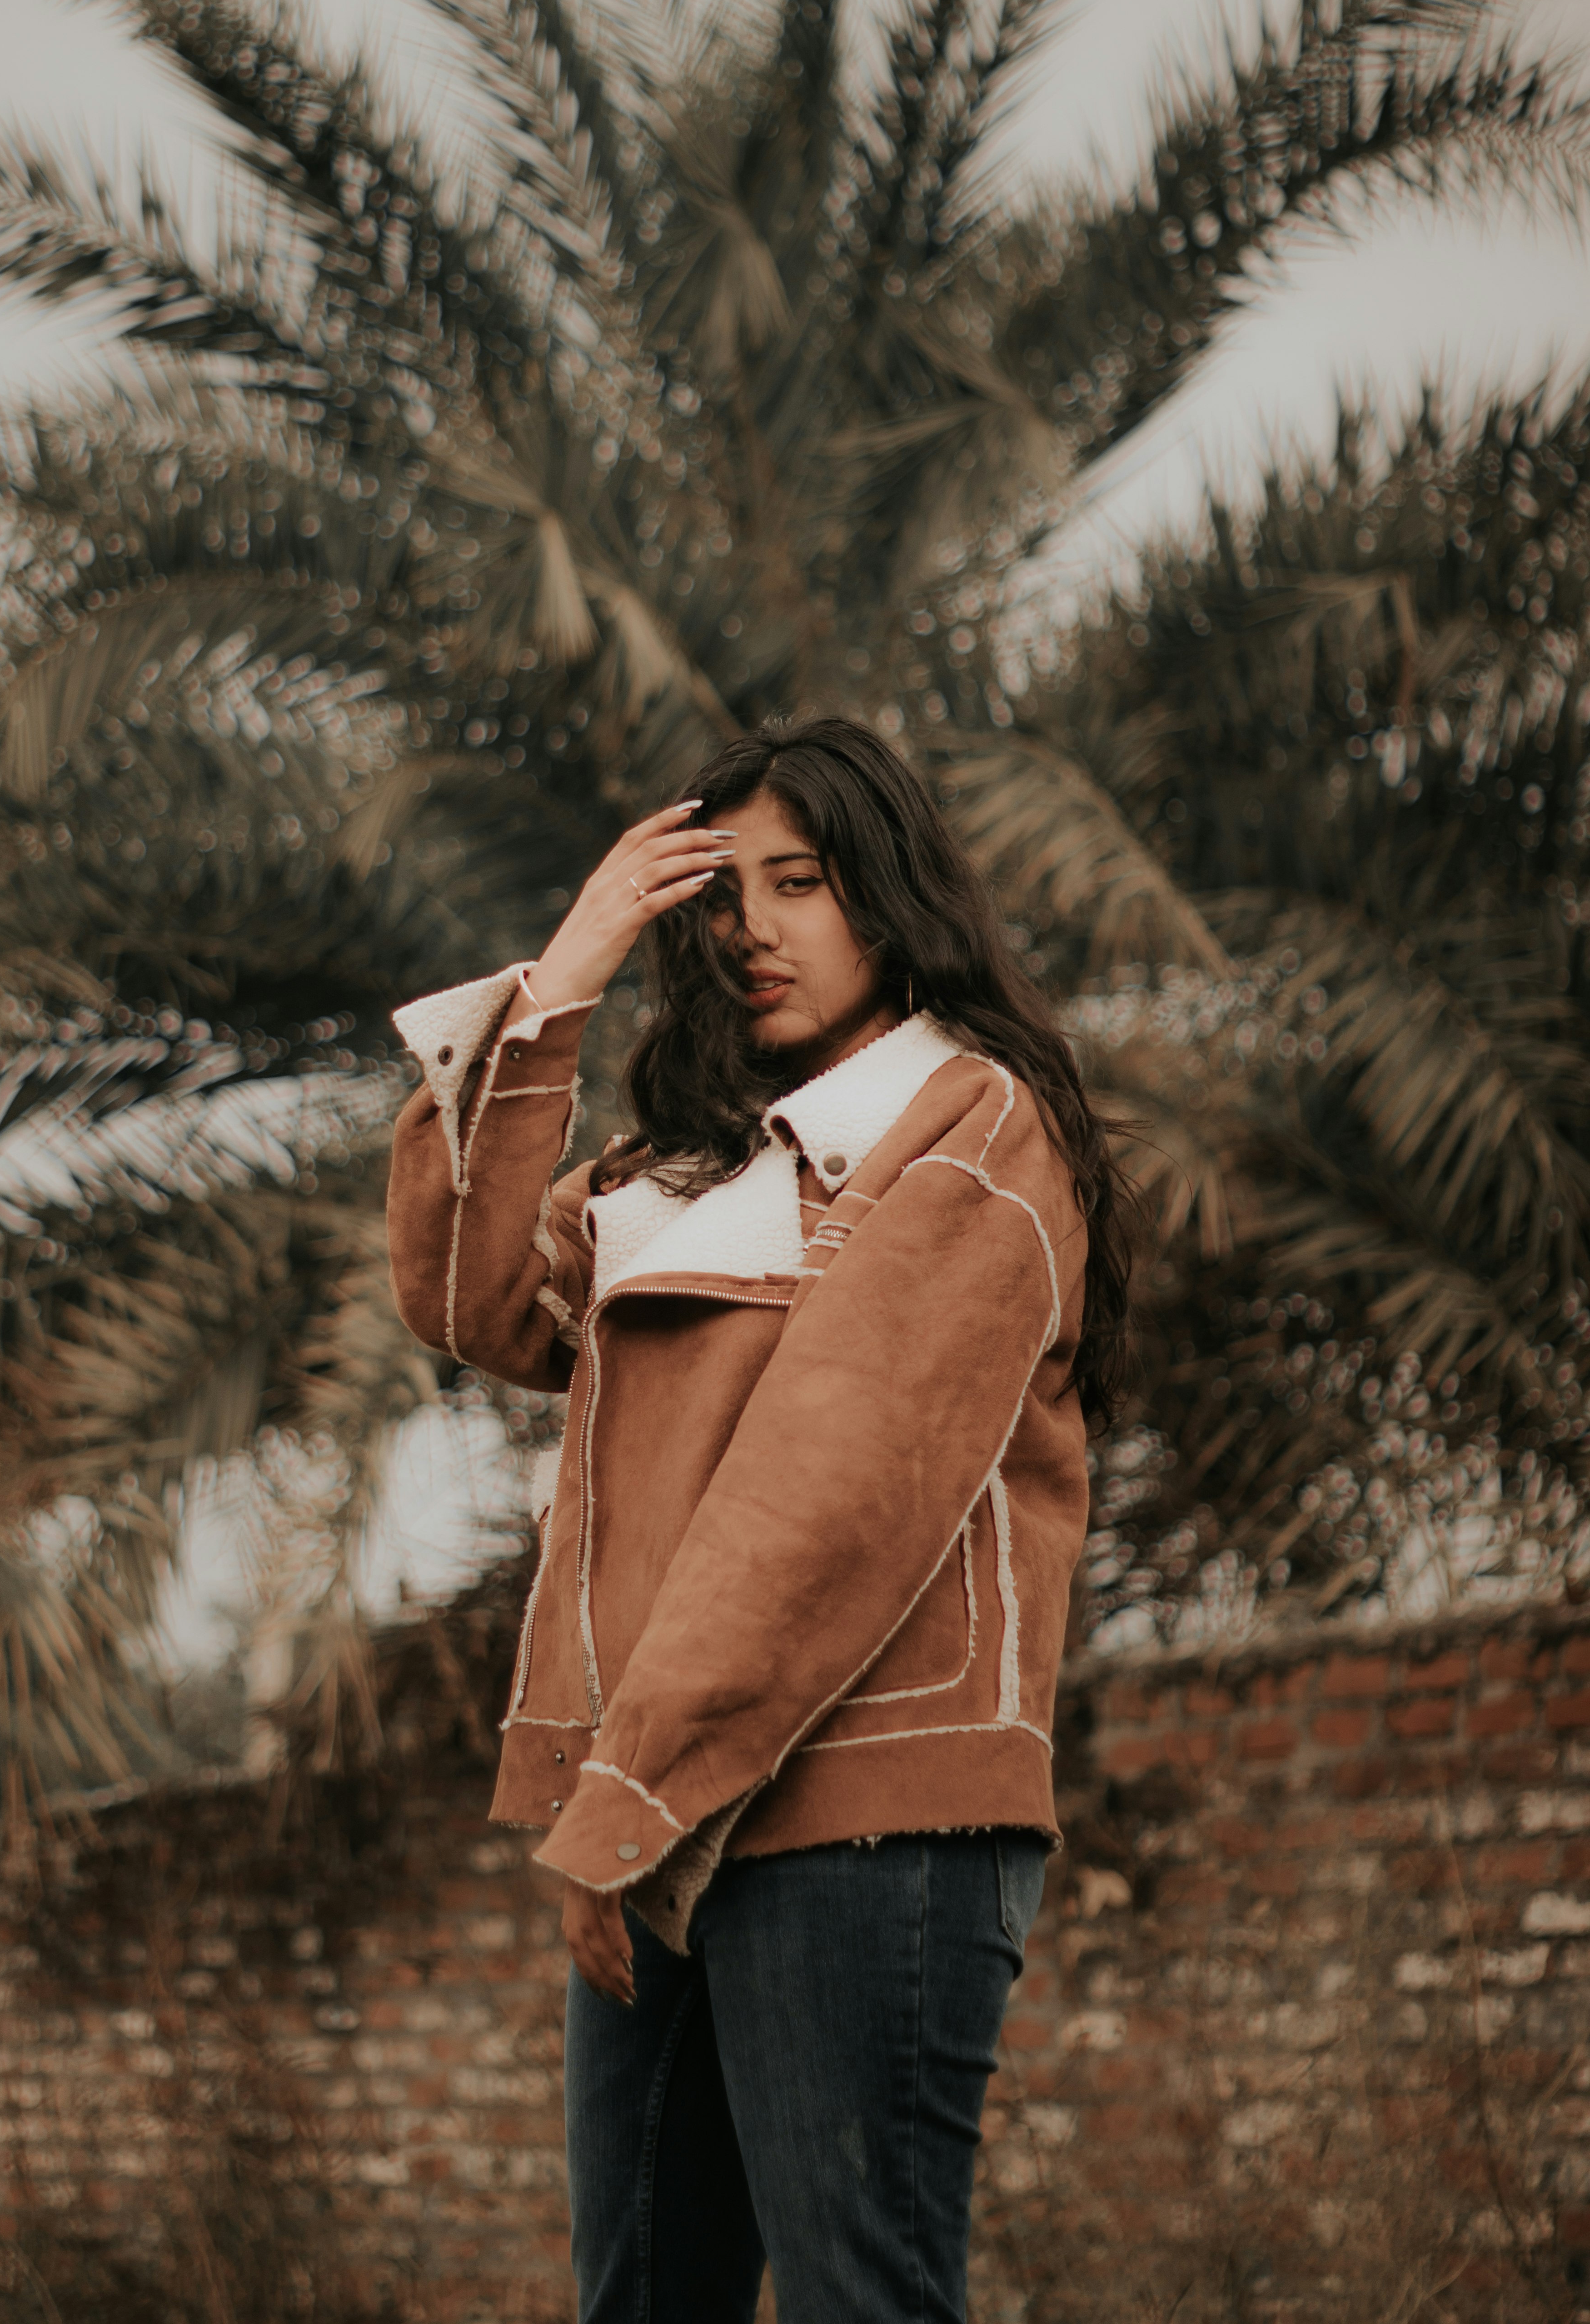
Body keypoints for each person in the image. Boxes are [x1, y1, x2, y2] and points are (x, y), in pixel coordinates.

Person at [386, 716, 1135, 2324]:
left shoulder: (969, 1126)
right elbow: (465, 1295)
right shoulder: (685, 1172)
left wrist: (620, 1808)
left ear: (889, 891)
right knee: (644, 2301)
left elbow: (832, 1494)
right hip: (658, 1815)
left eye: (799, 880)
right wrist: (567, 973)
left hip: (868, 1823)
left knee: (863, 2304)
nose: (754, 928)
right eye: (719, 893)